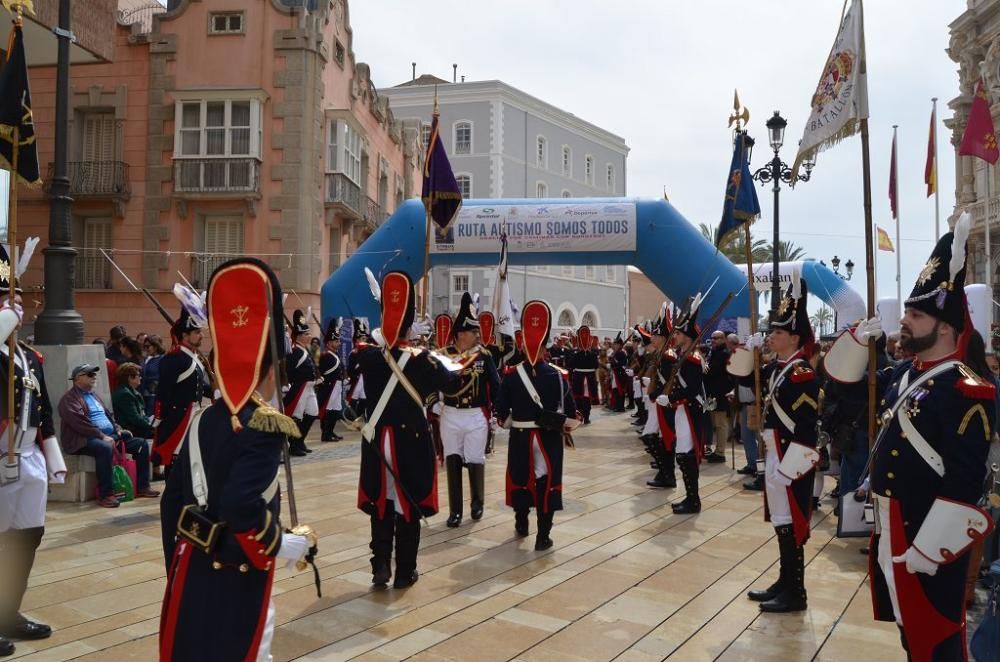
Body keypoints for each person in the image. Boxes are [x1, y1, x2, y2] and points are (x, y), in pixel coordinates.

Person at [824, 215, 996, 659]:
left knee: (938, 637)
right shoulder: (904, 374)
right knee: (910, 631)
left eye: (915, 314)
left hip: (926, 535)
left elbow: (966, 480)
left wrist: (930, 547)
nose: (903, 320)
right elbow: (844, 388)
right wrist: (854, 343)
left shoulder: (963, 387)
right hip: (892, 529)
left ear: (944, 327)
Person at [159, 257, 317, 662]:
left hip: (189, 569)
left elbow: (171, 506)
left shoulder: (202, 420)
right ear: (268, 367)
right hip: (236, 574)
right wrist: (288, 545)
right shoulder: (265, 425)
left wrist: (177, 569)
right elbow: (242, 508)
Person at [355, 271, 458, 588]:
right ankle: (404, 571)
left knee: (381, 503)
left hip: (377, 440)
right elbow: (451, 384)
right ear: (411, 322)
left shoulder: (368, 357)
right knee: (408, 506)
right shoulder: (423, 359)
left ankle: (380, 566)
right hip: (410, 442)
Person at [729, 280, 820, 613]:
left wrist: (790, 467)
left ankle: (796, 592)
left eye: (777, 333)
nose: (771, 336)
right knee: (782, 521)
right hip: (775, 451)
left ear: (794, 338)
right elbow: (741, 380)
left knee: (792, 521)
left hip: (790, 456)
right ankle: (786, 581)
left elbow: (808, 429)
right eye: (770, 332)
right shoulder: (777, 368)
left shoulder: (801, 374)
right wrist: (746, 351)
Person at [0, 252, 62, 653]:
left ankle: (8, 611)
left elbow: (44, 407)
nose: (16, 304)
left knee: (26, 536)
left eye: (15, 297)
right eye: (6, 297)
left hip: (28, 457)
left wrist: (53, 455)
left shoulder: (29, 356)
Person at [495, 300, 578, 550]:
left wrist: (511, 420)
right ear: (545, 347)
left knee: (520, 477)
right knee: (547, 481)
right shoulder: (558, 375)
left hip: (520, 435)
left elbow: (500, 413)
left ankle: (522, 523)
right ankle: (543, 536)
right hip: (548, 437)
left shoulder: (510, 375)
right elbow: (573, 414)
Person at [438, 293, 500, 528]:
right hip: (450, 414)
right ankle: (455, 511)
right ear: (462, 333)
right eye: (474, 332)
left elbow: (495, 386)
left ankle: (477, 503)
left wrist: (498, 413)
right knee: (451, 459)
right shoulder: (444, 356)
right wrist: (435, 402)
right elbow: (430, 383)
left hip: (475, 415)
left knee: (475, 458)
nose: (478, 335)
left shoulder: (484, 356)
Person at [58, 364, 159, 507]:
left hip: (107, 436)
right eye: (90, 375)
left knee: (141, 444)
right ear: (78, 378)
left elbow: (109, 416)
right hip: (83, 439)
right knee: (105, 448)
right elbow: (79, 423)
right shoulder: (69, 399)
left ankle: (142, 487)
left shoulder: (94, 396)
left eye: (94, 375)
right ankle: (106, 494)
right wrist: (101, 435)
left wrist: (118, 429)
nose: (94, 377)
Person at [653, 298, 707, 513]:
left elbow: (692, 390)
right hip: (682, 410)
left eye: (679, 334)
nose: (675, 336)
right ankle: (690, 498)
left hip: (689, 410)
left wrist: (672, 399)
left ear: (687, 336)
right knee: (683, 454)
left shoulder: (692, 359)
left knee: (686, 454)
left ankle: (693, 500)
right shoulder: (685, 356)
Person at [152, 308, 210, 469]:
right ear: (185, 335)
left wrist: (219, 393)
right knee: (175, 458)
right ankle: (173, 493)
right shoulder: (174, 359)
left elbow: (198, 385)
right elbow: (163, 391)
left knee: (191, 458)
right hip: (178, 416)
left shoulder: (192, 357)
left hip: (194, 414)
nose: (201, 335)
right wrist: (159, 416)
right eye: (197, 332)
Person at [283, 310, 319, 456]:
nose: (309, 336)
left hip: (309, 387)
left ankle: (300, 440)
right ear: (298, 336)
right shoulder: (295, 352)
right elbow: (288, 371)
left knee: (312, 413)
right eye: (306, 334)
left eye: (309, 333)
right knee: (296, 417)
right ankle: (294, 444)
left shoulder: (305, 350)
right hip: (300, 387)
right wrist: (288, 385)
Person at [704, 330, 733, 463]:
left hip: (721, 393)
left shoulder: (724, 354)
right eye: (712, 338)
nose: (714, 340)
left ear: (723, 339)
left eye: (717, 338)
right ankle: (709, 448)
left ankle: (720, 452)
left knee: (721, 424)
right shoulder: (713, 353)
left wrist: (705, 367)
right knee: (709, 422)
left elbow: (712, 370)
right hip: (710, 393)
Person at [317, 318, 345, 442]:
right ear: (328, 343)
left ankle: (330, 431)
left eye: (338, 340)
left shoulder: (335, 354)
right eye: (335, 341)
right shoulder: (325, 355)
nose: (338, 343)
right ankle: (325, 434)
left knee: (335, 411)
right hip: (329, 386)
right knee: (327, 410)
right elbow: (322, 371)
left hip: (337, 385)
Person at [112, 363, 155, 440]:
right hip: (132, 431)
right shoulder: (124, 394)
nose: (140, 378)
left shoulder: (131, 391)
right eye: (138, 375)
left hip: (138, 427)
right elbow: (135, 419)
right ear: (130, 378)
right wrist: (152, 426)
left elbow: (141, 415)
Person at [568, 325, 599, 425]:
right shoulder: (593, 354)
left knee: (579, 399)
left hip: (578, 378)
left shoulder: (575, 354)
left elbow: (571, 365)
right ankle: (587, 417)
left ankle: (581, 417)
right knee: (587, 399)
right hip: (589, 378)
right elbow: (596, 366)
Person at [140, 334, 165, 416]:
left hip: (154, 396)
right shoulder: (145, 358)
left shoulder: (162, 359)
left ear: (156, 346)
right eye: (144, 346)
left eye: (148, 346)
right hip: (143, 395)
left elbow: (162, 376)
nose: (146, 349)